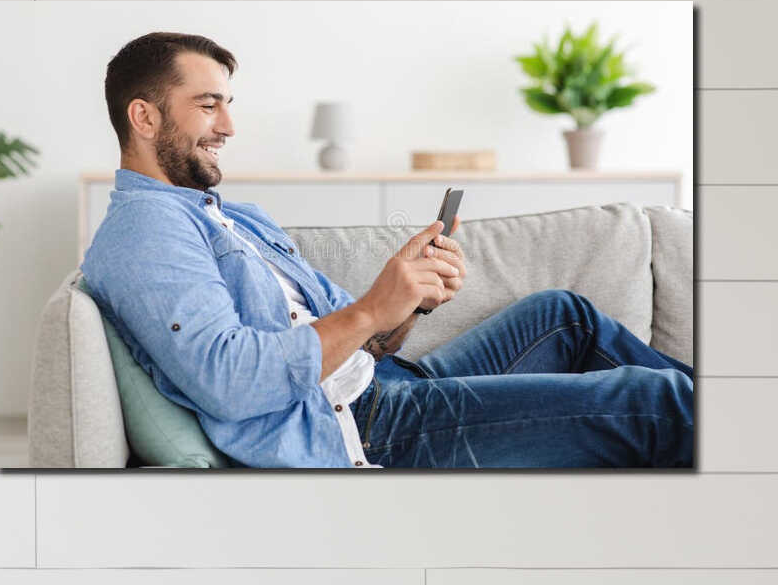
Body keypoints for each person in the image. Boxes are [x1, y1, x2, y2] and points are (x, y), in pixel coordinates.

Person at [79, 31, 693, 469]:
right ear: (145, 118)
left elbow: (368, 342)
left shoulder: (230, 216)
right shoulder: (146, 231)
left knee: (563, 315)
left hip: (381, 383)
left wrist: (407, 301)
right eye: (207, 105)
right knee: (656, 400)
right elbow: (230, 382)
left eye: (228, 105)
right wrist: (373, 308)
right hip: (369, 428)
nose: (229, 127)